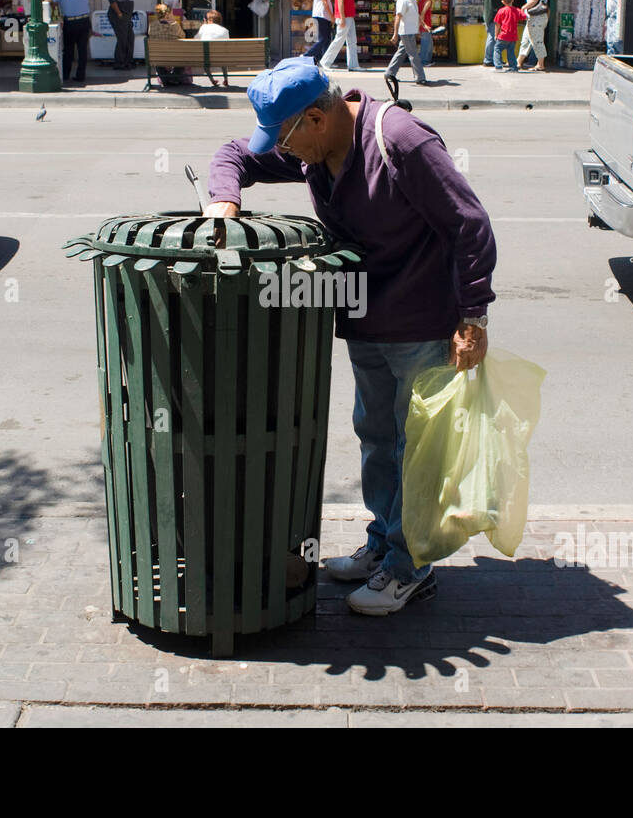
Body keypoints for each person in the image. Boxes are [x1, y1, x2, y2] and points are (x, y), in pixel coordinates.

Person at [203, 56, 495, 615]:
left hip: (420, 323)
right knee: (378, 438)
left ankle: (410, 568)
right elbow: (235, 153)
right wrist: (225, 197)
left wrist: (473, 317)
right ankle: (384, 545)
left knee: (417, 452)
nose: (282, 153)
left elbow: (470, 224)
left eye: (286, 139)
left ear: (317, 117)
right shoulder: (314, 147)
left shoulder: (401, 142)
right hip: (365, 319)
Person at [44, 0, 91, 84]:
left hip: (71, 22)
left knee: (69, 49)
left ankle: (65, 75)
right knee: (82, 50)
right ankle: (81, 75)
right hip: (85, 20)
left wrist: (55, 2)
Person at [384, 0, 428, 85]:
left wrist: (423, 24)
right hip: (406, 32)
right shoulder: (403, 0)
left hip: (410, 31)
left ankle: (389, 73)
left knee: (401, 53)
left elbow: (416, 15)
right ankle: (420, 77)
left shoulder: (412, 0)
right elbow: (398, 17)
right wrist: (395, 34)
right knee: (414, 55)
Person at [319, 0, 361, 73]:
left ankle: (353, 65)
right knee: (339, 40)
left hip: (348, 16)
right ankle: (325, 62)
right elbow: (340, 0)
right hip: (345, 16)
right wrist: (342, 17)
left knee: (352, 41)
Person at [147, 2, 191, 86]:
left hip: (158, 57)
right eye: (172, 13)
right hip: (174, 56)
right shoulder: (175, 26)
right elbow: (183, 36)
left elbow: (150, 36)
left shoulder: (152, 26)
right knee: (182, 59)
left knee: (158, 59)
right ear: (168, 14)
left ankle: (164, 78)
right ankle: (174, 78)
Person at [518, 0, 550, 71]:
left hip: (536, 18)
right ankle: (519, 61)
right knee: (526, 40)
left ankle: (540, 64)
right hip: (535, 18)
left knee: (537, 40)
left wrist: (524, 7)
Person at [107, 0, 136, 70]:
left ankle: (128, 61)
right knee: (122, 39)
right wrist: (119, 13)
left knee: (129, 38)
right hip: (119, 16)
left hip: (126, 16)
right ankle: (120, 62)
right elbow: (112, 0)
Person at [482, 0, 510, 66]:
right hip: (499, 12)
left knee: (492, 35)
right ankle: (489, 59)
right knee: (495, 36)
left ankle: (493, 59)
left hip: (489, 12)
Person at [305, 0, 334, 64]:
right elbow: (325, 2)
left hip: (323, 16)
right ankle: (307, 56)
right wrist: (332, 17)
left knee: (326, 39)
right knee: (323, 39)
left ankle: (321, 61)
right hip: (322, 15)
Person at [491, 0, 520, 71]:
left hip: (503, 35)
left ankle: (498, 66)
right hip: (513, 36)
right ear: (512, 0)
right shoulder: (516, 10)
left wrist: (496, 35)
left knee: (497, 49)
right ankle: (513, 67)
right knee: (511, 51)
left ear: (503, 1)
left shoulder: (501, 11)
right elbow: (524, 16)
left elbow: (497, 24)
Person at [418, 0, 436, 66]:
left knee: (427, 44)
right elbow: (423, 13)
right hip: (426, 26)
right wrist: (424, 25)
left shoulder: (421, 0)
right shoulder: (428, 1)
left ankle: (426, 61)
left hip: (423, 26)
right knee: (426, 45)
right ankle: (424, 62)